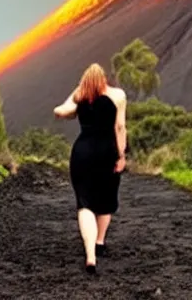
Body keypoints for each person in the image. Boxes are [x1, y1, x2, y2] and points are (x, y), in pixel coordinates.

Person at [54, 63, 127, 274]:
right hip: (107, 151)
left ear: (85, 79)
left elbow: (62, 110)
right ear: (104, 78)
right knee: (105, 198)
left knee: (84, 202)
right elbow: (120, 127)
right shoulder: (118, 95)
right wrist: (121, 155)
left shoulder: (80, 95)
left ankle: (90, 256)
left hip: (82, 152)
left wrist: (73, 105)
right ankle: (99, 242)